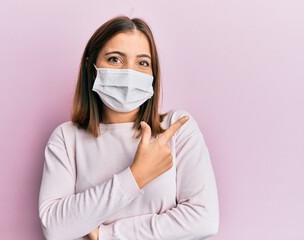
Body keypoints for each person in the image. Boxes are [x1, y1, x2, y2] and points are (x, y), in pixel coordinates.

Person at [39, 16, 219, 240]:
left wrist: (107, 234)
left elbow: (204, 219)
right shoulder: (66, 138)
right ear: (91, 66)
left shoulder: (176, 128)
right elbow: (55, 228)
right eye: (115, 59)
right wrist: (136, 176)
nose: (129, 73)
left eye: (143, 63)